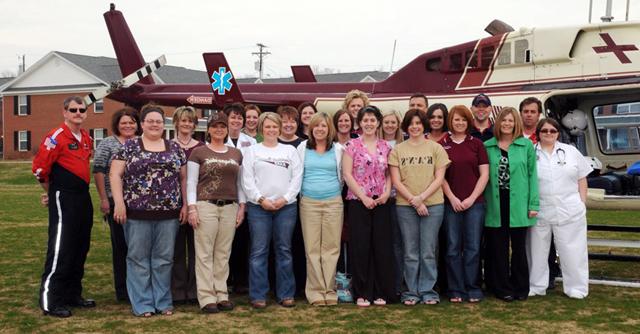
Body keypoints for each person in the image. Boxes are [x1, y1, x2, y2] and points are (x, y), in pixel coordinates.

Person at [110, 104, 187, 317]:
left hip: (168, 214)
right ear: (142, 124)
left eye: (159, 121)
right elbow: (115, 174)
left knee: (164, 259)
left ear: (164, 124)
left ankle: (163, 302)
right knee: (138, 259)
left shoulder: (175, 148)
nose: (154, 124)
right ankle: (143, 304)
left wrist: (185, 205)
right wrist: (119, 203)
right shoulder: (130, 146)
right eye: (150, 121)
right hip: (136, 213)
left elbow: (183, 178)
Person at [33, 96, 95, 318]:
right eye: (73, 110)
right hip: (63, 196)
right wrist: (50, 192)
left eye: (81, 109)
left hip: (82, 197)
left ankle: (72, 294)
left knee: (80, 247)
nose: (78, 113)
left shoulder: (86, 137)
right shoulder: (56, 137)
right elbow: (40, 169)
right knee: (61, 248)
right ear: (65, 112)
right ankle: (51, 301)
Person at [389, 109, 450, 306]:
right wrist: (414, 200)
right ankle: (411, 292)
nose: (415, 126)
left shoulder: (436, 149)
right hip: (405, 207)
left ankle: (428, 291)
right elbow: (396, 182)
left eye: (418, 123)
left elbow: (439, 178)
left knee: (428, 250)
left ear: (424, 125)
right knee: (410, 251)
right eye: (411, 123)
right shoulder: (398, 150)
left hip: (433, 206)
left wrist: (422, 198)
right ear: (406, 126)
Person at [242, 112, 303, 309]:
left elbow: (297, 178)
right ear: (261, 129)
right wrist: (261, 199)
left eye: (274, 126)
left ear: (279, 128)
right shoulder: (252, 151)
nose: (271, 130)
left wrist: (284, 199)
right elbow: (247, 180)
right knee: (259, 251)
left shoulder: (289, 151)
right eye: (267, 127)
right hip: (259, 207)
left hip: (286, 207)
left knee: (284, 250)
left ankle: (285, 294)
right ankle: (258, 295)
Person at [186, 112, 245, 313]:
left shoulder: (235, 153)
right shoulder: (199, 153)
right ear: (209, 129)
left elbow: (240, 183)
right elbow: (191, 182)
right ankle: (206, 297)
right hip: (205, 206)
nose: (219, 129)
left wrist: (242, 206)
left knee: (222, 253)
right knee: (204, 253)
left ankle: (221, 294)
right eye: (215, 126)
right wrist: (192, 207)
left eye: (223, 126)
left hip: (230, 206)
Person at [528, 118, 592, 299]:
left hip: (570, 209)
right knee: (536, 251)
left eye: (552, 131)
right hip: (539, 209)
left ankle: (576, 288)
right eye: (544, 131)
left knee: (573, 250)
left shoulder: (571, 151)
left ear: (558, 133)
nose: (549, 134)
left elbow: (582, 178)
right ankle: (536, 286)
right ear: (538, 133)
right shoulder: (530, 152)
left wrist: (582, 203)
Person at [342, 105, 396, 307]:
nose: (369, 123)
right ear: (360, 123)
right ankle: (362, 293)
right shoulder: (352, 146)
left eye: (373, 120)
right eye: (365, 120)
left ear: (378, 122)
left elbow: (390, 174)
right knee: (361, 247)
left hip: (381, 202)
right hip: (359, 202)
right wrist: (363, 197)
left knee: (381, 247)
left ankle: (381, 292)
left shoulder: (386, 147)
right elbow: (347, 174)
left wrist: (385, 193)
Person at [483, 107, 539, 302]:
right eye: (503, 120)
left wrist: (534, 204)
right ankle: (501, 287)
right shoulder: (487, 146)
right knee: (497, 249)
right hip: (495, 203)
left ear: (516, 123)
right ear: (498, 123)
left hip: (519, 203)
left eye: (511, 120)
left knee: (518, 248)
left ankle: (520, 286)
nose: (507, 124)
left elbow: (533, 176)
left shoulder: (526, 146)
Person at [440, 105, 489, 303]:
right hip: (450, 203)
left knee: (473, 247)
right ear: (450, 122)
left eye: (463, 119)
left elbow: (484, 174)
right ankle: (455, 289)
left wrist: (471, 198)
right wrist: (452, 198)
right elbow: (439, 176)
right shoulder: (442, 145)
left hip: (475, 203)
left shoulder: (476, 144)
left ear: (468, 121)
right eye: (455, 119)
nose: (459, 123)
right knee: (452, 247)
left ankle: (472, 286)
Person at [93, 107, 140, 303]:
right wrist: (104, 199)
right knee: (121, 246)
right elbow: (98, 170)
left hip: (138, 202)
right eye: (124, 123)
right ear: (117, 125)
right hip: (114, 200)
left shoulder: (141, 143)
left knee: (138, 248)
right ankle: (123, 290)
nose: (128, 126)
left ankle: (138, 286)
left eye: (131, 122)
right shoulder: (108, 144)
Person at [296, 112, 344, 306]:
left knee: (331, 249)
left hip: (333, 202)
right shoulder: (302, 148)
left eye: (323, 126)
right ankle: (315, 292)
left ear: (329, 128)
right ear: (311, 129)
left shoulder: (339, 149)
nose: (320, 129)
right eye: (316, 126)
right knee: (312, 249)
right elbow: (298, 174)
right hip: (309, 203)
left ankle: (329, 290)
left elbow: (342, 176)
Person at [519, 97, 561, 289]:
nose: (529, 115)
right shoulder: (515, 136)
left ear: (539, 114)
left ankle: (550, 273)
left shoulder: (546, 135)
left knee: (546, 239)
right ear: (521, 113)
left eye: (532, 111)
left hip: (544, 197)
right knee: (522, 239)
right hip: (519, 196)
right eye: (525, 111)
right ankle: (526, 272)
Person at [171, 106, 204, 304]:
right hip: (172, 203)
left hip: (195, 203)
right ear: (176, 122)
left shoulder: (200, 147)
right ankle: (176, 290)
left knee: (195, 249)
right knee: (175, 249)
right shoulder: (167, 145)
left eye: (190, 121)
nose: (186, 124)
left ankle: (193, 290)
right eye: (183, 120)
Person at [380, 109, 404, 296]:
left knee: (398, 243)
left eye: (393, 122)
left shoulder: (403, 144)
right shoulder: (376, 144)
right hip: (379, 199)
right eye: (386, 122)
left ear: (398, 124)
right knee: (383, 242)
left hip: (400, 198)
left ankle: (398, 285)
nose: (389, 125)